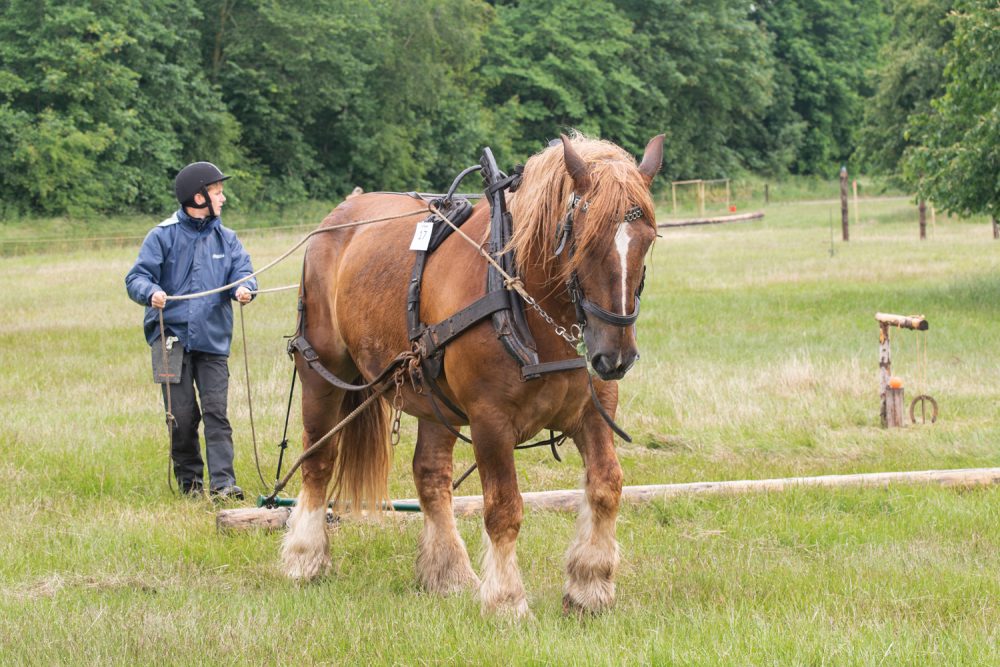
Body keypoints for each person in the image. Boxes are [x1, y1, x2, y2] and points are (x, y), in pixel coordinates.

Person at [125, 162, 257, 500]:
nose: (223, 198)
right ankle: (191, 486)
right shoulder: (161, 236)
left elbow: (243, 272)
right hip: (169, 339)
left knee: (216, 413)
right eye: (217, 192)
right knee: (181, 418)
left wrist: (245, 288)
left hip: (213, 340)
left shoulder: (227, 238)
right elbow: (136, 277)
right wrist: (150, 292)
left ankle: (224, 485)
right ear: (199, 197)